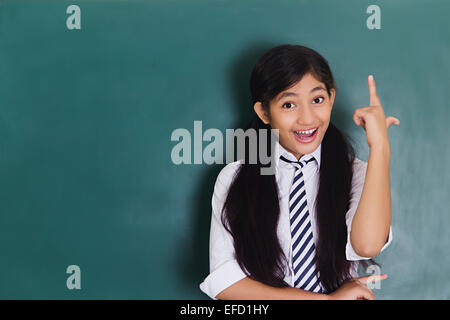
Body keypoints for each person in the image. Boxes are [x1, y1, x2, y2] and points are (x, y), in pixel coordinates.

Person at [199, 44, 399, 300]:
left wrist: (380, 148)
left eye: (317, 100)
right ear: (264, 113)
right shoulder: (235, 179)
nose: (307, 119)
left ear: (331, 98)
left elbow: (367, 245)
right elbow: (224, 283)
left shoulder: (355, 173)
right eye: (289, 105)